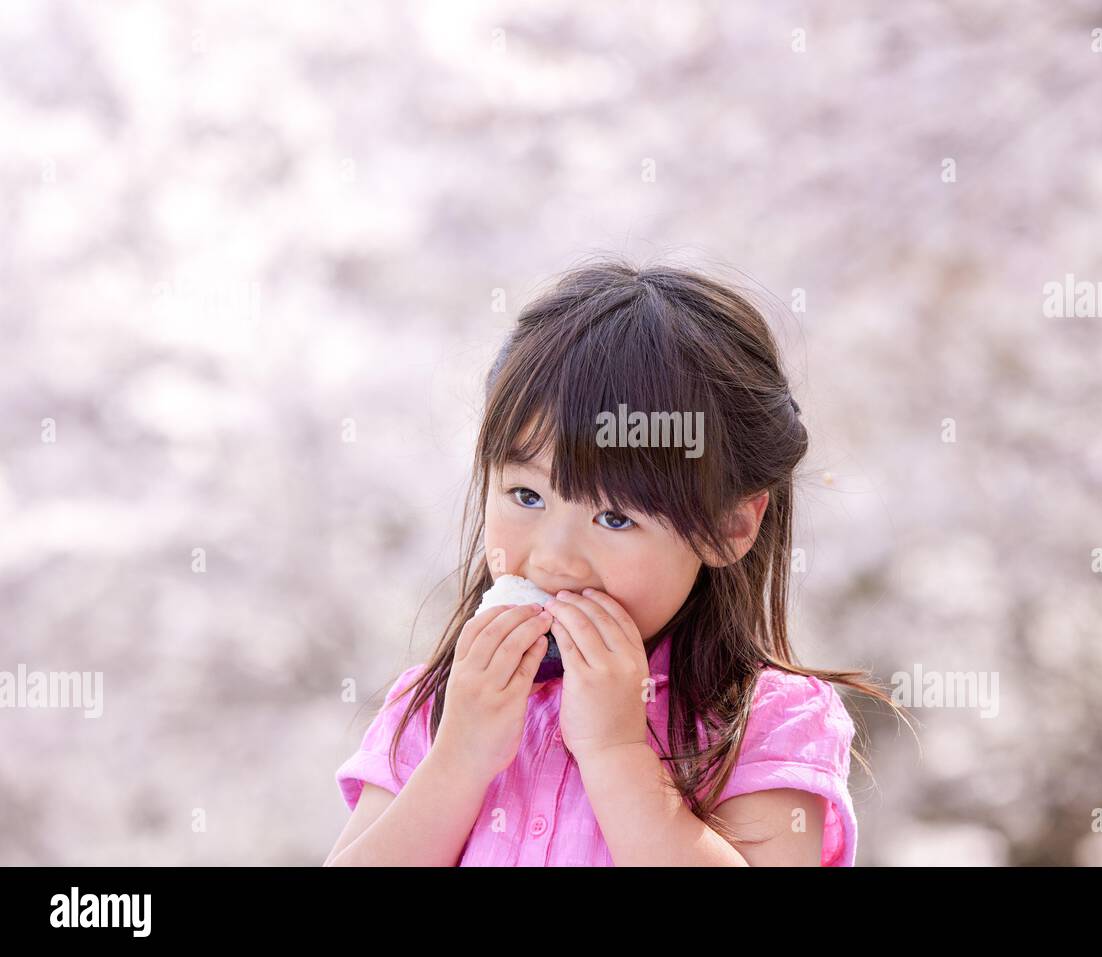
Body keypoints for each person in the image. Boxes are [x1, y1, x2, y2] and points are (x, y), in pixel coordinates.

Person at [326, 257, 896, 866]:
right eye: (527, 496)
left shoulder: (768, 722)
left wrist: (616, 752)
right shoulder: (441, 703)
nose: (553, 558)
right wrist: (460, 757)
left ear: (731, 525)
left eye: (616, 518)